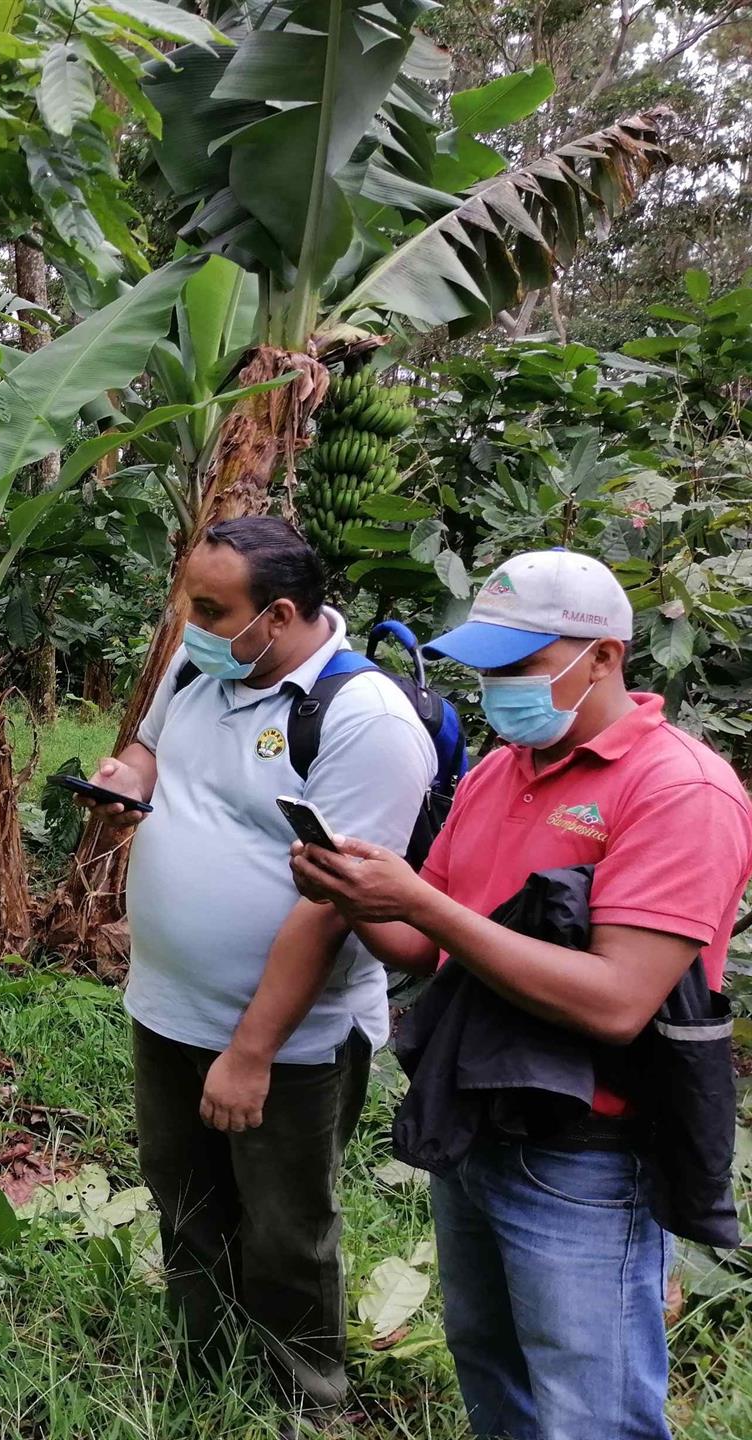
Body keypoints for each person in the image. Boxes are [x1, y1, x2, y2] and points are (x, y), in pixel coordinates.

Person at [290, 549, 752, 1440]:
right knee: (490, 1363)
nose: (499, 687)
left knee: (591, 1407)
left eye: (521, 667)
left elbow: (619, 999)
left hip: (587, 1151)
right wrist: (353, 898)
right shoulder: (503, 770)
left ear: (605, 657)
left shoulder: (678, 790)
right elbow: (431, 946)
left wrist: (419, 900)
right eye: (488, 666)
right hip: (474, 1118)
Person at [87, 517, 438, 1414]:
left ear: (278, 615)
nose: (189, 625)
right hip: (167, 1004)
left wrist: (252, 1052)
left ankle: (302, 1402)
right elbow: (149, 751)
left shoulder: (365, 722)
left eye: (210, 609)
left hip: (290, 1037)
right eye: (187, 604)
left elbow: (331, 907)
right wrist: (126, 779)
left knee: (286, 1229)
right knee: (185, 1201)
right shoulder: (203, 663)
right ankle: (204, 1377)